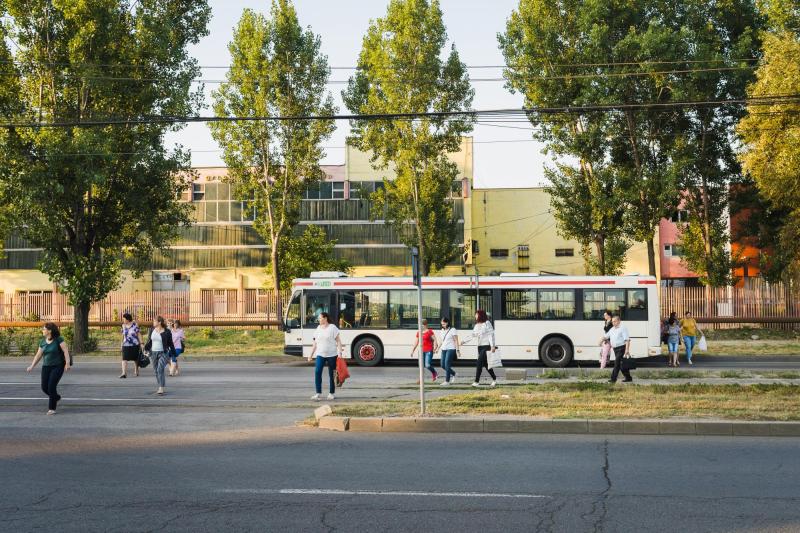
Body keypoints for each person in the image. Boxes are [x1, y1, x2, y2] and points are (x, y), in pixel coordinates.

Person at [26, 323, 71, 415]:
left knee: (51, 386)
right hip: (46, 366)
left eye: (44, 329)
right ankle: (56, 397)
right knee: (44, 387)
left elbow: (66, 351)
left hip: (57, 366)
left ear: (49, 331)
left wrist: (67, 363)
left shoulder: (59, 340)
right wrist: (32, 366)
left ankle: (52, 408)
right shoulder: (42, 342)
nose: (42, 330)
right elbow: (38, 355)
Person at [308, 312, 343, 401]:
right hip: (320, 354)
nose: (318, 320)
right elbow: (315, 344)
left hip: (332, 355)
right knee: (317, 372)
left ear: (325, 318)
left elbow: (338, 341)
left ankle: (331, 393)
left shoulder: (332, 328)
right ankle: (318, 393)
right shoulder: (318, 329)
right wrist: (310, 355)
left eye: (320, 318)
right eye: (319, 318)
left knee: (332, 374)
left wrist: (340, 353)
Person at [463, 310, 498, 387]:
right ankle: (494, 379)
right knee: (486, 364)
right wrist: (464, 341)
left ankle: (476, 381)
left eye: (476, 315)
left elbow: (491, 335)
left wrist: (492, 346)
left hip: (486, 346)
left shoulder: (487, 323)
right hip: (480, 347)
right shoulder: (476, 325)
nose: (475, 316)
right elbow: (473, 335)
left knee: (479, 363)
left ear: (480, 315)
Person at [144, 316, 175, 396]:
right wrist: (145, 349)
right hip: (153, 353)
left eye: (154, 321)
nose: (153, 323)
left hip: (163, 352)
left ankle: (161, 387)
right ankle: (160, 385)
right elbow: (149, 341)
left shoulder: (167, 331)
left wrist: (173, 353)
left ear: (159, 322)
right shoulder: (151, 330)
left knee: (160, 369)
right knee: (156, 371)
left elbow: (170, 343)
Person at [603, 315, 633, 384]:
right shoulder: (612, 329)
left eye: (614, 321)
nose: (613, 323)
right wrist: (601, 340)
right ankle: (628, 378)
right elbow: (606, 336)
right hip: (615, 349)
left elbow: (627, 340)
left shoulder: (623, 328)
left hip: (621, 348)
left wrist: (627, 350)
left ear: (619, 321)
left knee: (617, 363)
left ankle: (613, 379)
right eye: (612, 322)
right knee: (621, 365)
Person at [438, 317, 460, 386]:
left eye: (444, 324)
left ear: (447, 323)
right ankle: (454, 374)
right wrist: (437, 348)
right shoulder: (442, 330)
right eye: (442, 324)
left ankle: (447, 381)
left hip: (451, 349)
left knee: (447, 365)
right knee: (442, 365)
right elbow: (441, 340)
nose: (443, 325)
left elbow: (456, 340)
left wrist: (458, 350)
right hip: (443, 349)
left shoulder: (452, 330)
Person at [120, 313, 143, 378]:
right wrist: (121, 343)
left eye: (124, 319)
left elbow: (139, 334)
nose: (123, 320)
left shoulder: (135, 325)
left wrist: (141, 343)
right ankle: (124, 373)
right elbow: (123, 335)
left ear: (128, 319)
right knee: (124, 358)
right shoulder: (123, 326)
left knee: (135, 359)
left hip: (135, 344)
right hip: (125, 344)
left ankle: (136, 369)